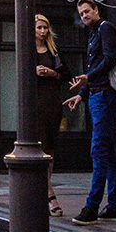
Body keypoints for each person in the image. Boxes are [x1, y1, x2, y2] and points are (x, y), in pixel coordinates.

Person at [64, 0, 116, 223]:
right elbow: (96, 68)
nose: (84, 16)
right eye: (81, 14)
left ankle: (92, 206)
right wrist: (81, 94)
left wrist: (87, 79)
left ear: (96, 10)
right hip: (97, 96)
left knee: (98, 151)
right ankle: (115, 206)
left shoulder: (105, 28)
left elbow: (109, 60)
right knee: (108, 153)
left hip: (105, 96)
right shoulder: (92, 34)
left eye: (87, 11)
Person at [35, 14, 69, 216]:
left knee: (50, 147)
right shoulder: (28, 50)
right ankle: (49, 194)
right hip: (35, 103)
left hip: (52, 102)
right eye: (39, 27)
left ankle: (44, 190)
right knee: (39, 146)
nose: (42, 31)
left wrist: (52, 73)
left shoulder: (54, 50)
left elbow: (66, 74)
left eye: (45, 27)